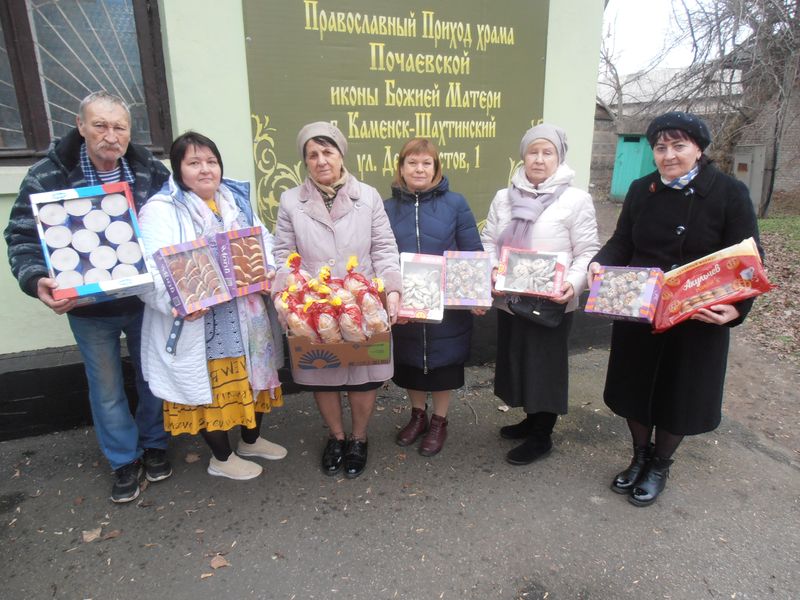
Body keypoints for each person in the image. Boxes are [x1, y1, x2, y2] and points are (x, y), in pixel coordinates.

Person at [4, 91, 171, 503]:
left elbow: (173, 221)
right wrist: (37, 280)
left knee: (153, 377)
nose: (110, 136)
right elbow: (21, 236)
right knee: (107, 387)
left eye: (119, 127)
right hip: (88, 307)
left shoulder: (148, 170)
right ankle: (123, 459)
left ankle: (155, 444)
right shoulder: (48, 175)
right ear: (81, 127)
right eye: (100, 125)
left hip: (145, 302)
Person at [589, 111, 761, 507]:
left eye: (679, 146)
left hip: (696, 315)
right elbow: (621, 242)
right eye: (661, 147)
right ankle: (639, 456)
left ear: (699, 149)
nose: (669, 155)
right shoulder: (641, 189)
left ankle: (661, 463)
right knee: (636, 387)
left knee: (678, 393)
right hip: (641, 309)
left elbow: (749, 260)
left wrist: (738, 309)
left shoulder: (729, 193)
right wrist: (600, 261)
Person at [137, 132, 285, 481]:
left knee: (254, 378)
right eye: (194, 162)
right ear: (178, 169)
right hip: (202, 319)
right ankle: (221, 457)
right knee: (213, 389)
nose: (205, 169)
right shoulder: (160, 210)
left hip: (247, 313)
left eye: (211, 161)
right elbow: (150, 267)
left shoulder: (236, 200)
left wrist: (271, 269)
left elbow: (263, 240)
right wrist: (177, 302)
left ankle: (251, 440)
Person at [273, 121, 401, 479]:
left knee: (364, 375)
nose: (321, 160)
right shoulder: (291, 202)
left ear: (341, 154)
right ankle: (337, 436)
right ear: (305, 161)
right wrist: (287, 299)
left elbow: (385, 248)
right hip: (314, 307)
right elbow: (282, 253)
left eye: (327, 151)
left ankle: (359, 438)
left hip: (364, 305)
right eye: (312, 154)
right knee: (322, 372)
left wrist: (391, 288)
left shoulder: (369, 197)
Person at [481, 124, 600, 466]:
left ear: (559, 157)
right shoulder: (504, 197)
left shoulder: (575, 200)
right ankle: (530, 419)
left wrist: (574, 284)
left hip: (552, 301)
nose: (539, 159)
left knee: (544, 367)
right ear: (523, 156)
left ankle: (542, 435)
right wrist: (491, 269)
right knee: (518, 361)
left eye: (547, 152)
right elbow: (489, 241)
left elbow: (587, 250)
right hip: (512, 298)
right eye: (533, 152)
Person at [383, 138, 484, 456]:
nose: (419, 168)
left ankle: (439, 421)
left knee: (443, 364)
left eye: (426, 163)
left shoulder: (456, 203)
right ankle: (417, 415)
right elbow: (381, 253)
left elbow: (472, 252)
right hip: (407, 304)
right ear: (401, 167)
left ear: (436, 168)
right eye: (412, 162)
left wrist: (477, 294)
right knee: (411, 361)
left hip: (448, 306)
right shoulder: (387, 208)